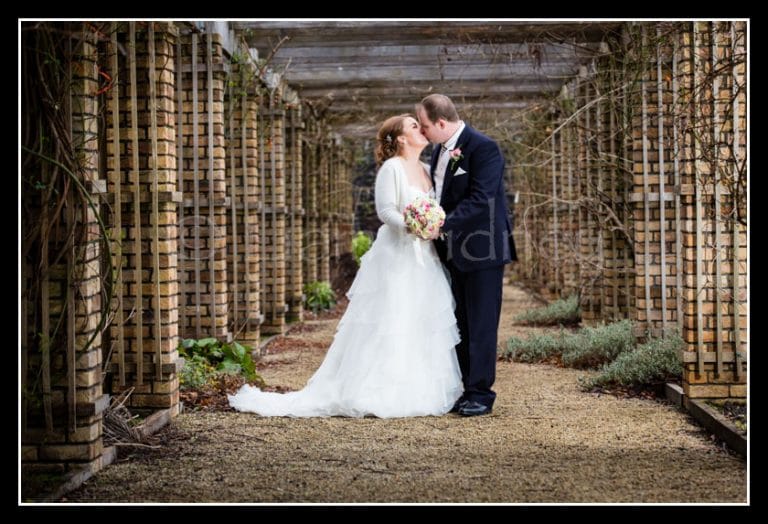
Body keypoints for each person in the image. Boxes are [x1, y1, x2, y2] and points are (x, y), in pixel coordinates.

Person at [228, 114, 463, 418]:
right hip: (397, 256)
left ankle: (421, 389)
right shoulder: (391, 169)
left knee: (420, 318)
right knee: (392, 318)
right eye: (414, 126)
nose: (422, 127)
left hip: (424, 257)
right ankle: (378, 390)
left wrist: (433, 227)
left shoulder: (425, 169)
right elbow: (386, 212)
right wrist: (413, 226)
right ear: (401, 138)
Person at [416, 94, 517, 417]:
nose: (423, 132)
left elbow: (481, 198)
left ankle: (481, 393)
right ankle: (466, 388)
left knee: (482, 323)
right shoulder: (437, 150)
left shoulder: (483, 148)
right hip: (451, 252)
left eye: (427, 126)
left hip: (482, 249)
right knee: (460, 323)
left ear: (442, 123)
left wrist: (441, 223)